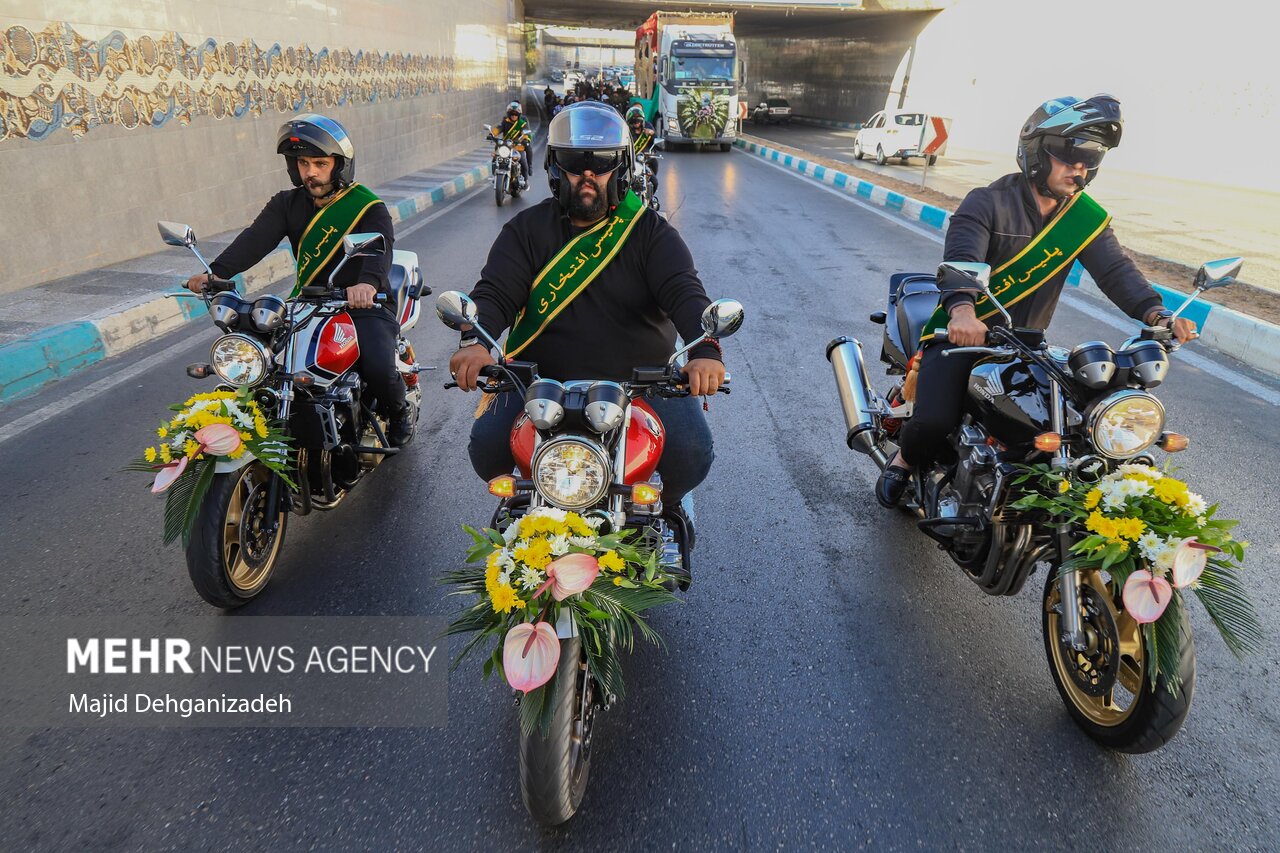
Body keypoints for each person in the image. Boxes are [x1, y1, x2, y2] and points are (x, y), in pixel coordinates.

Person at [875, 94, 1199, 508]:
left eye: (1088, 159)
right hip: (961, 337)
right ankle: (903, 460)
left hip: (1025, 345)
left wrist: (1156, 312)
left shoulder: (1084, 218)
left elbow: (1116, 271)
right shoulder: (987, 201)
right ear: (1036, 154)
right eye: (1069, 156)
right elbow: (962, 257)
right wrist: (962, 309)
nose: (1079, 168)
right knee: (935, 419)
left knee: (1061, 426)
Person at [450, 101, 725, 533]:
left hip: (640, 383)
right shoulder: (525, 231)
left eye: (602, 163)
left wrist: (705, 349)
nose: (588, 175)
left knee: (692, 453)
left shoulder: (650, 234)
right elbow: (495, 292)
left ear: (622, 168)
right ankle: (526, 507)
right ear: (556, 168)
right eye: (576, 163)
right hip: (537, 381)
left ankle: (667, 506)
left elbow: (686, 293)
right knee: (486, 447)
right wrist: (477, 341)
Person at [184, 113, 414, 446]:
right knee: (269, 363)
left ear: (339, 165)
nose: (311, 172)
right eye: (303, 163)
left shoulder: (368, 208)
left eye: (320, 163)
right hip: (307, 301)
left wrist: (367, 285)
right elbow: (255, 239)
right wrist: (216, 272)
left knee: (378, 364)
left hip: (361, 304)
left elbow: (378, 251)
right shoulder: (286, 204)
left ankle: (398, 412)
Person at [491, 101, 532, 189]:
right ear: (509, 114)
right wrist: (492, 134)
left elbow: (525, 133)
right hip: (505, 146)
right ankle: (494, 176)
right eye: (512, 114)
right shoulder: (505, 121)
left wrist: (524, 139)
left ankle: (525, 180)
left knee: (523, 160)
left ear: (519, 115)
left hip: (518, 147)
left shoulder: (522, 123)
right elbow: (499, 128)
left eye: (516, 114)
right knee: (495, 158)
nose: (514, 116)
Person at [626, 104, 659, 192]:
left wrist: (652, 134)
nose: (636, 124)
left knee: (655, 182)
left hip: (643, 160)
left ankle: (651, 199)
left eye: (638, 121)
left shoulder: (647, 127)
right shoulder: (625, 132)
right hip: (629, 162)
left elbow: (657, 144)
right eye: (634, 122)